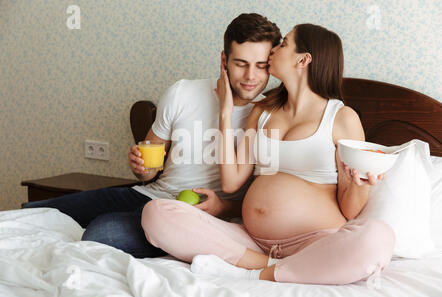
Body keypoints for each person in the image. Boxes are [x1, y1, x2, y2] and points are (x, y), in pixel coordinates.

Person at [141, 23, 396, 285]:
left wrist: (358, 184)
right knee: (155, 213)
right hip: (251, 242)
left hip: (316, 241)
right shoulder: (261, 112)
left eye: (283, 43)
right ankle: (275, 267)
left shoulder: (341, 118)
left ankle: (257, 272)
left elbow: (350, 210)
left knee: (378, 236)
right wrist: (225, 112)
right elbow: (231, 181)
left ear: (304, 59)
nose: (274, 50)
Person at [22, 13, 282, 259]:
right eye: (241, 64)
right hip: (149, 194)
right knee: (37, 212)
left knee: (102, 234)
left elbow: (264, 207)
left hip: (195, 215)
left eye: (261, 66)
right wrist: (141, 167)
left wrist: (224, 208)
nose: (251, 76)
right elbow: (149, 170)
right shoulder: (183, 92)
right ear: (224, 60)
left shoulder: (269, 117)